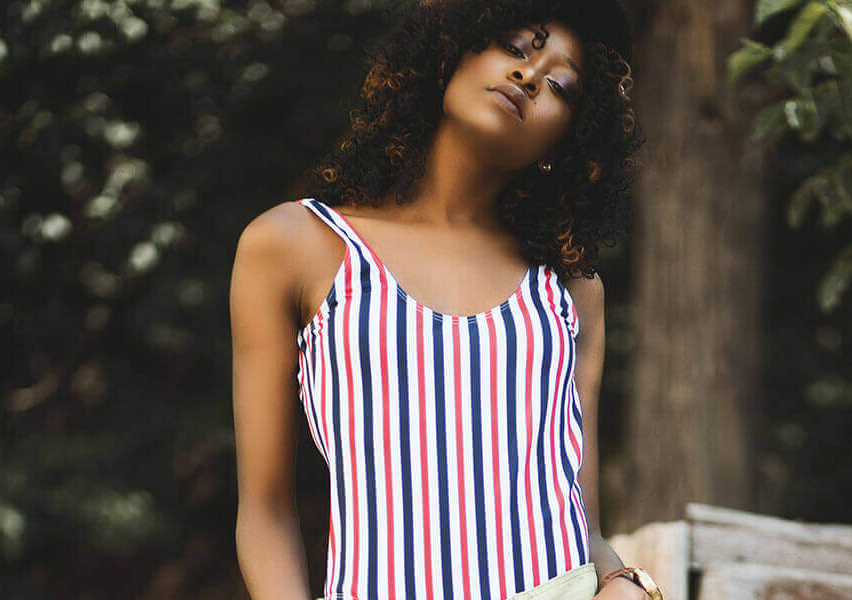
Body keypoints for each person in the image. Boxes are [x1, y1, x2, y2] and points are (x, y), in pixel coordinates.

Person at [229, 0, 659, 598]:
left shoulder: (569, 289)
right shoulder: (295, 245)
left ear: (565, 142)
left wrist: (626, 582)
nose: (529, 76)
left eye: (560, 86)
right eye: (514, 47)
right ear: (448, 53)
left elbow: (579, 521)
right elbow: (265, 510)